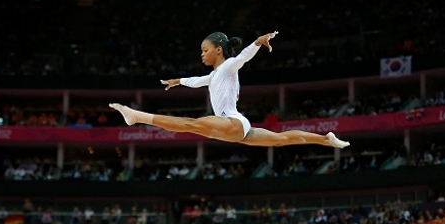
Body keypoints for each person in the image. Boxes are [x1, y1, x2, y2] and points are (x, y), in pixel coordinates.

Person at [109, 31, 350, 149]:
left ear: (219, 50)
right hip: (235, 129)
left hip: (232, 122)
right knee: (281, 140)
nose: (202, 54)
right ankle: (325, 139)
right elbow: (198, 80)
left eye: (205, 49)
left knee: (190, 124)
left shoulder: (228, 67)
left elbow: (243, 57)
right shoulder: (215, 75)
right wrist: (179, 81)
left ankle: (137, 116)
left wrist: (257, 42)